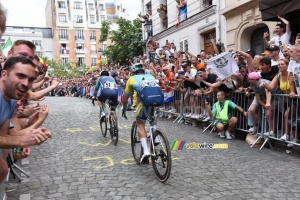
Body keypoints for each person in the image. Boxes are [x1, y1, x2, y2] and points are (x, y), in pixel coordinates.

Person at [0, 56, 52, 183]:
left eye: (30, 79)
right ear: (4, 74)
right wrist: (20, 141)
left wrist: (26, 138)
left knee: (3, 169)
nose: (26, 84)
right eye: (20, 76)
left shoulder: (11, 100)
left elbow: (4, 135)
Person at [122, 64, 163, 163]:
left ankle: (145, 151)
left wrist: (124, 107)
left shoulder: (131, 79)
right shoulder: (151, 76)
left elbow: (125, 97)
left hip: (146, 102)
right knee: (152, 118)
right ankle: (155, 135)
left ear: (133, 72)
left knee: (140, 123)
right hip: (159, 99)